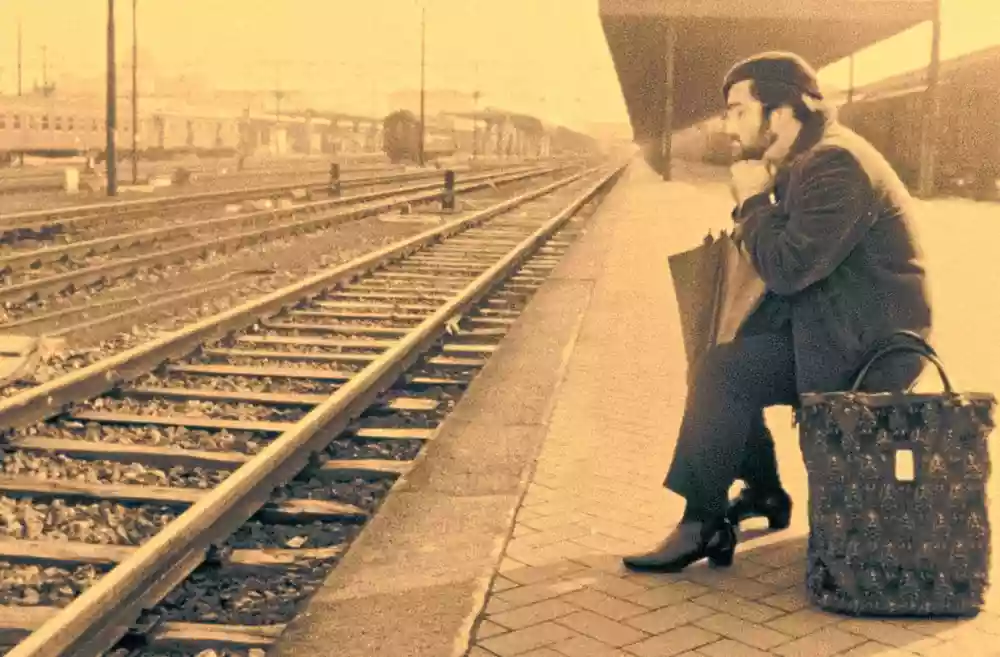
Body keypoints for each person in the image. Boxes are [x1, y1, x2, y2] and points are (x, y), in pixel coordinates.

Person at [623, 52, 933, 573]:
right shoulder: (809, 156)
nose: (728, 126)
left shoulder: (836, 164)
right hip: (836, 322)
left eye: (739, 111)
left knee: (722, 372)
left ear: (783, 112)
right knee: (723, 353)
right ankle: (763, 491)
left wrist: (751, 202)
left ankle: (703, 522)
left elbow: (788, 268)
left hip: (869, 345)